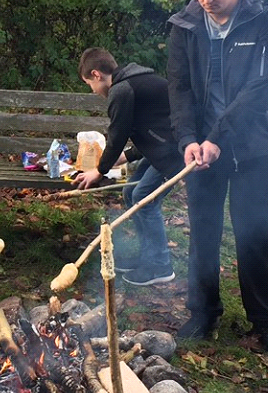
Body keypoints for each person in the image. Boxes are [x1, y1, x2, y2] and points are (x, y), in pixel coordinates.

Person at [166, 0, 268, 353]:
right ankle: (203, 312)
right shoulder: (184, 26)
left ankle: (266, 320)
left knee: (255, 232)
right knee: (202, 231)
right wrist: (188, 141)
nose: (206, 0)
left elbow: (261, 88)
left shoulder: (264, 21)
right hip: (202, 149)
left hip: (253, 145)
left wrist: (219, 136)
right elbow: (179, 89)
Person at [75, 47, 185, 286]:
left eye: (89, 84)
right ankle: (148, 257)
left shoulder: (122, 90)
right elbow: (154, 127)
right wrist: (127, 157)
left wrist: (100, 171)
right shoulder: (132, 82)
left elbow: (117, 134)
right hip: (164, 148)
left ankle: (160, 265)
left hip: (175, 152)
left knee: (145, 198)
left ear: (96, 74)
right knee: (130, 193)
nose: (93, 91)